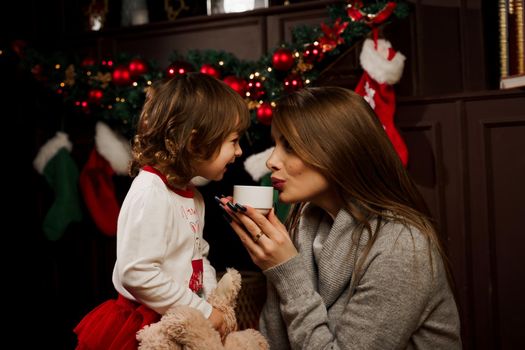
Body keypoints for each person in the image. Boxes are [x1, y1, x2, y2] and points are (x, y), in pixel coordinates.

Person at [220, 87, 462, 349]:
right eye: (276, 144)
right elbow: (275, 343)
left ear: (338, 151)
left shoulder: (401, 246)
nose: (271, 161)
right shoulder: (302, 225)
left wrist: (286, 271)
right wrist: (275, 266)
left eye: (289, 146)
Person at [74, 72, 250, 350]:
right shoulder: (151, 192)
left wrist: (212, 300)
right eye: (233, 140)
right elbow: (136, 273)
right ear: (194, 143)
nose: (239, 151)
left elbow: (197, 254)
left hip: (184, 319)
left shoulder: (193, 195)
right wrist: (202, 311)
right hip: (145, 324)